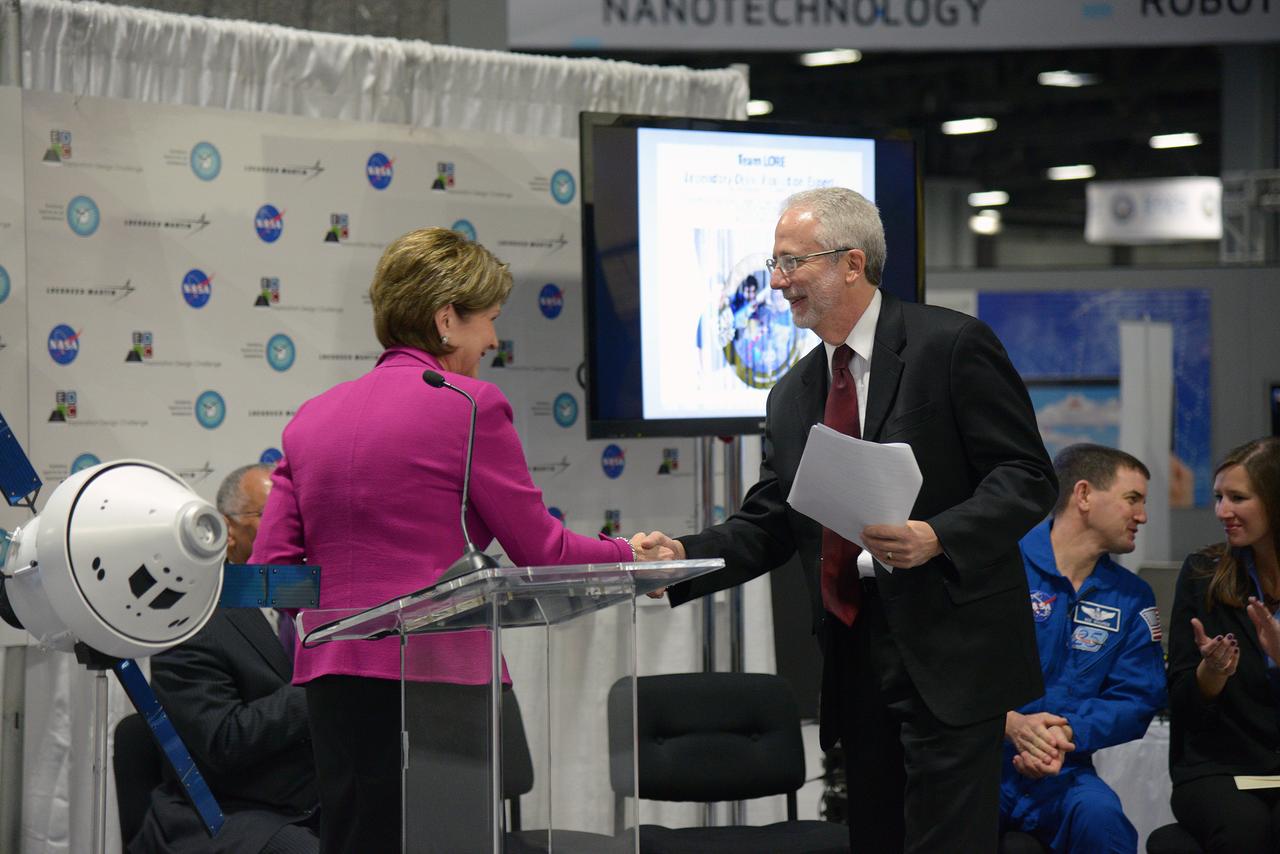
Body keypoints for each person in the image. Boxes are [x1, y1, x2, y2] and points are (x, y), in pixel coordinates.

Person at [643, 187, 1057, 852]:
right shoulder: (790, 394)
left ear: (852, 263)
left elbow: (1028, 475)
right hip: (855, 654)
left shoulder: (951, 346)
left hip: (952, 652)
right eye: (775, 265)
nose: (777, 282)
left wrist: (938, 536)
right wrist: (679, 558)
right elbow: (771, 522)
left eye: (791, 262)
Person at [249, 226, 656, 853]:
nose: (493, 339)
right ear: (446, 320)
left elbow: (270, 573)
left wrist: (344, 610)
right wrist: (630, 555)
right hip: (441, 686)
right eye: (488, 319)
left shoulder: (311, 418)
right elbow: (541, 551)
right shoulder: (469, 405)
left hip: (332, 688)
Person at [130, 464, 319, 854]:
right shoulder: (193, 618)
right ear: (227, 529)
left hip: (320, 799)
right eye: (273, 516)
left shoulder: (314, 600)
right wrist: (319, 688)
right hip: (229, 814)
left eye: (297, 517)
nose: (293, 530)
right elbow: (223, 741)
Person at [1000, 444, 1166, 853]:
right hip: (983, 759)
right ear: (1084, 494)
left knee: (1103, 822)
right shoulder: (999, 567)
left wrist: (1066, 731)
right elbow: (952, 673)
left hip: (1065, 767)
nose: (1142, 516)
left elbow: (1138, 697)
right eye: (1133, 499)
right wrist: (1009, 725)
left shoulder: (1132, 596)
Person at [1168, 436, 1280, 854]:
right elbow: (1180, 706)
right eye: (1218, 497)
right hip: (1222, 768)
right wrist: (1211, 674)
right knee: (1243, 829)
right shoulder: (1202, 573)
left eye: (1238, 498)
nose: (1222, 511)